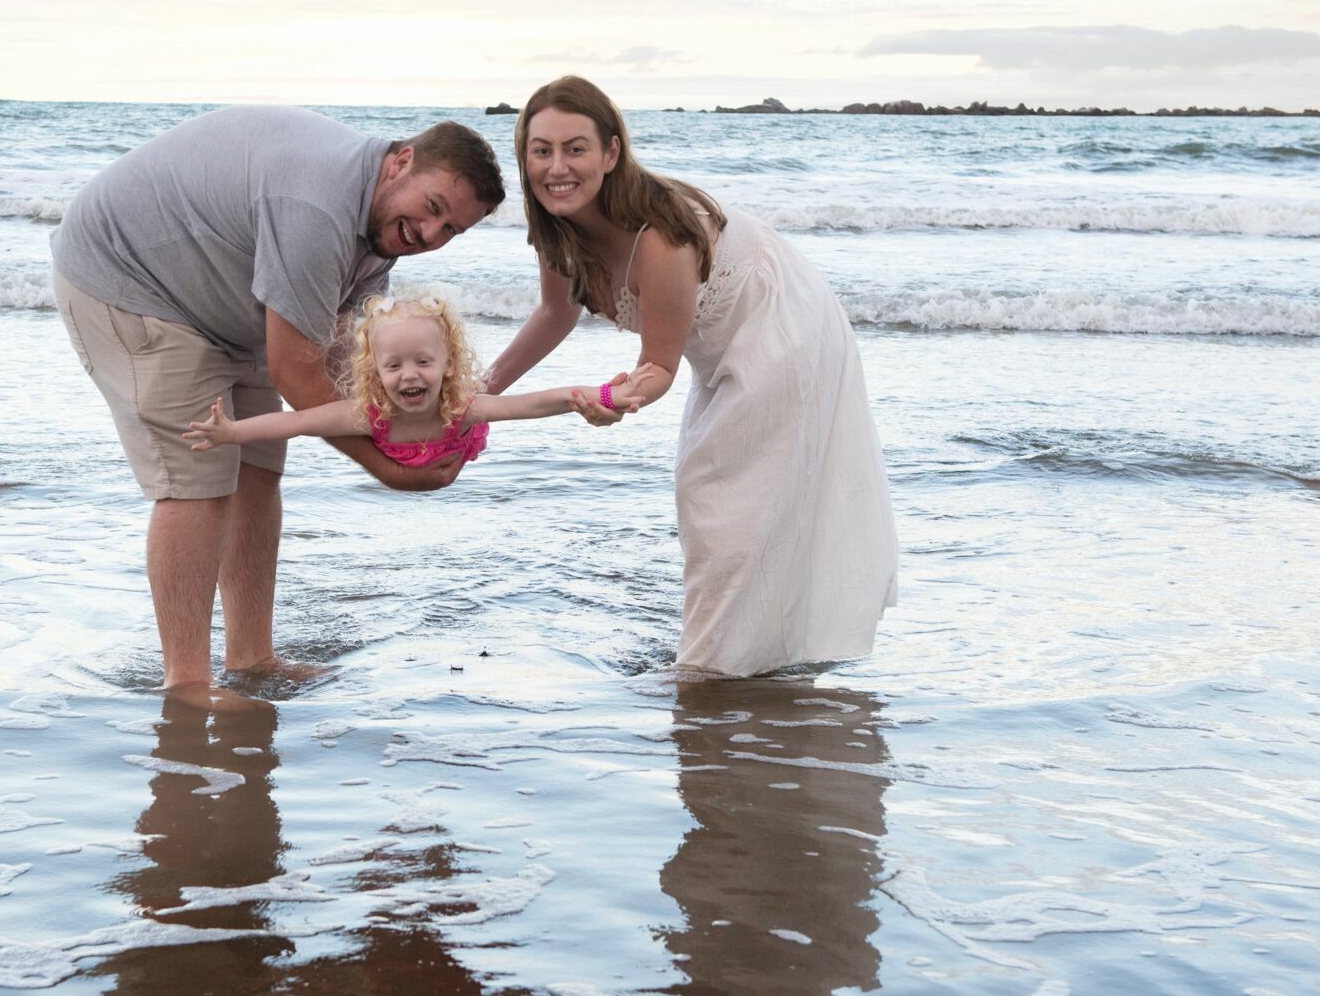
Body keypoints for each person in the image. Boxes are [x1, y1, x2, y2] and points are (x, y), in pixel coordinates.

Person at [51, 106, 504, 695]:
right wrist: (387, 468)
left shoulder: (379, 229)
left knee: (260, 467)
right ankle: (186, 683)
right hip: (132, 281)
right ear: (401, 162)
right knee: (199, 475)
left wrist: (419, 430)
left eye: (452, 231)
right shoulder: (318, 208)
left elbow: (344, 366)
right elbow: (296, 374)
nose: (430, 235)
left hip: (225, 297)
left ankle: (251, 658)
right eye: (434, 208)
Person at [486, 76, 897, 675]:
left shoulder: (660, 235)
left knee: (718, 496)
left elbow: (658, 365)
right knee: (715, 499)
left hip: (784, 327)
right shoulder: (559, 229)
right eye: (541, 150)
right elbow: (556, 311)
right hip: (718, 346)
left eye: (575, 148)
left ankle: (711, 671)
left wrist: (618, 399)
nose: (557, 167)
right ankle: (742, 658)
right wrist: (482, 387)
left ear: (611, 152)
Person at [184, 289, 648, 461]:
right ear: (376, 371)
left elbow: (536, 402)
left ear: (447, 364)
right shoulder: (367, 416)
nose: (410, 374)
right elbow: (294, 423)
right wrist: (231, 432)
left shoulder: (463, 408)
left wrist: (606, 395)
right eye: (394, 365)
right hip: (404, 450)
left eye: (424, 362)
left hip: (455, 447)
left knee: (488, 411)